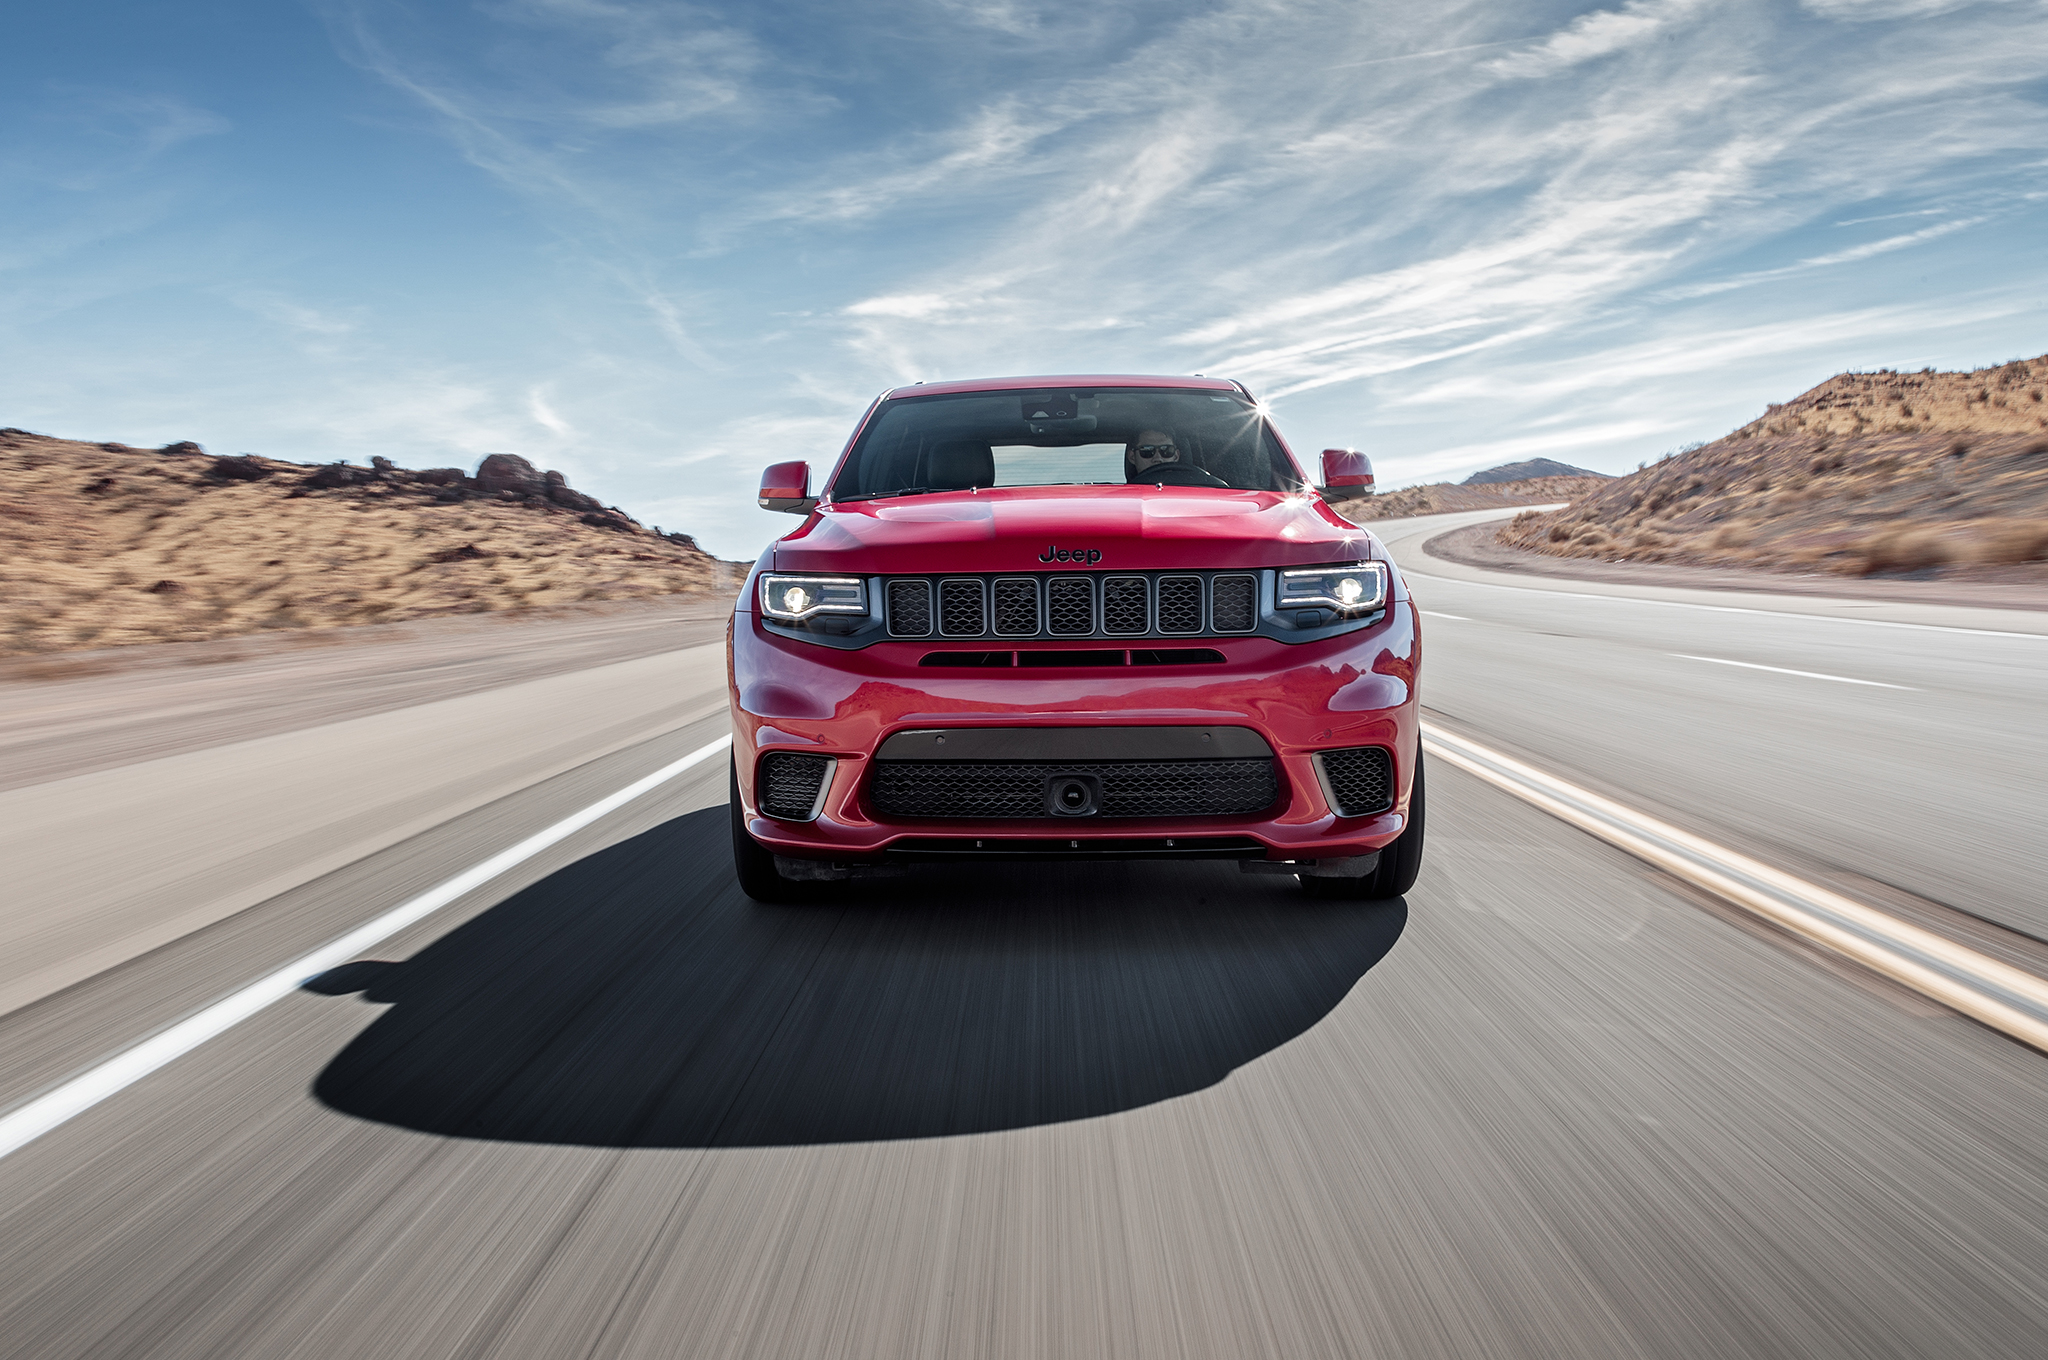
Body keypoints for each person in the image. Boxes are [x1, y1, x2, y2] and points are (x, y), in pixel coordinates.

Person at [1124, 429, 1228, 486]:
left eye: (1166, 451)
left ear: (1176, 455)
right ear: (1132, 457)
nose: (1157, 458)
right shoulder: (1121, 502)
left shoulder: (1210, 491)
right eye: (1147, 451)